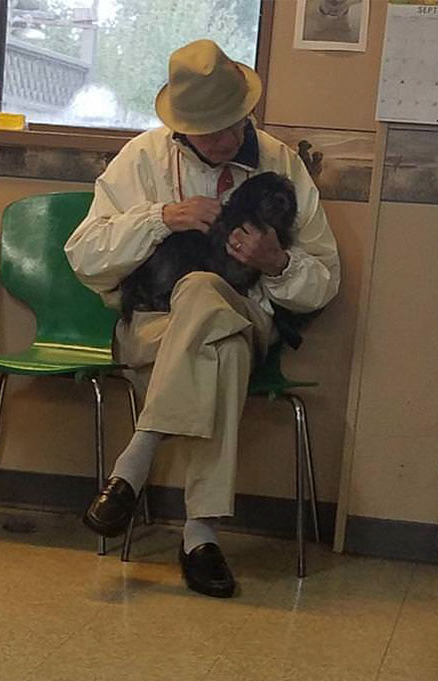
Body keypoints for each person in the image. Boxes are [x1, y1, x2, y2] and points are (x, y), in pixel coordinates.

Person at [65, 39, 340, 598]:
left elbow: (325, 282)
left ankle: (132, 464)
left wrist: (277, 262)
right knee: (222, 345)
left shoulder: (280, 162)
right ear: (180, 128)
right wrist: (161, 217)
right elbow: (84, 256)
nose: (225, 140)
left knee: (205, 294)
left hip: (248, 312)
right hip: (154, 324)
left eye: (234, 125)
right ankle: (200, 535)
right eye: (208, 130)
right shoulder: (142, 158)